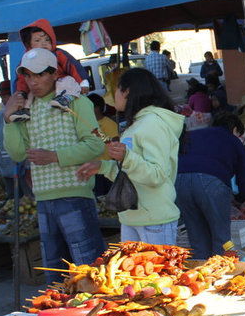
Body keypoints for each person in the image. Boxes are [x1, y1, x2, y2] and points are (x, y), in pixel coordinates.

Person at [3, 48, 106, 284]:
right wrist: (8, 119)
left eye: (39, 75)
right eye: (28, 76)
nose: (33, 81)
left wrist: (54, 156)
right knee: (55, 273)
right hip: (44, 200)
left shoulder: (76, 102)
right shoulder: (26, 108)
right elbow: (17, 153)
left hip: (75, 197)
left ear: (54, 74)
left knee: (88, 269)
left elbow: (95, 145)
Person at [76, 68, 184, 245]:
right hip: (131, 218)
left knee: (158, 273)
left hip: (154, 219)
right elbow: (129, 172)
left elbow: (157, 175)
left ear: (126, 92)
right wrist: (101, 167)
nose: (113, 96)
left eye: (116, 90)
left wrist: (127, 157)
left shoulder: (153, 123)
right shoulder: (135, 126)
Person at [175, 111, 245, 259]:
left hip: (179, 181)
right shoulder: (233, 140)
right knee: (221, 240)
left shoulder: (194, 135)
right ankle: (220, 274)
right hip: (210, 182)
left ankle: (200, 275)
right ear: (235, 130)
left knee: (197, 239)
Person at [9, 19, 90, 122]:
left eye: (47, 40)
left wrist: (83, 81)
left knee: (68, 81)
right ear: (29, 45)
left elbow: (73, 66)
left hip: (61, 81)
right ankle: (24, 110)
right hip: (39, 94)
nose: (44, 44)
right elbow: (21, 79)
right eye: (37, 41)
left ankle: (65, 99)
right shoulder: (27, 59)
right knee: (30, 94)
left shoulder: (58, 54)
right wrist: (20, 93)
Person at [0, 81, 33, 197]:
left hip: (25, 165)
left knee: (29, 197)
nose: (3, 100)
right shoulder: (1, 114)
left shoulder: (27, 111)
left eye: (5, 96)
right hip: (6, 164)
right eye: (2, 97)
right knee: (12, 197)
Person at [87, 93, 119, 196]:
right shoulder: (85, 124)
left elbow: (115, 144)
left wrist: (99, 134)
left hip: (108, 169)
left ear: (97, 108)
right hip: (94, 170)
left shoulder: (109, 123)